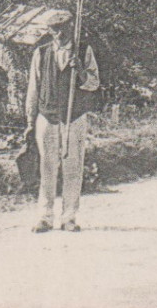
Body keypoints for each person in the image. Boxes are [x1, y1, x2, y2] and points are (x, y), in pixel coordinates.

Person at [25, 13, 101, 233]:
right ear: (49, 31)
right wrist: (30, 120)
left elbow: (94, 83)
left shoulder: (83, 51)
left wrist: (81, 74)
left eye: (63, 28)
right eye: (54, 29)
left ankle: (69, 217)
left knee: (73, 166)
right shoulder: (41, 53)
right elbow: (33, 88)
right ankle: (45, 216)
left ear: (71, 27)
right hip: (47, 116)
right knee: (47, 166)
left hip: (74, 116)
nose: (59, 33)